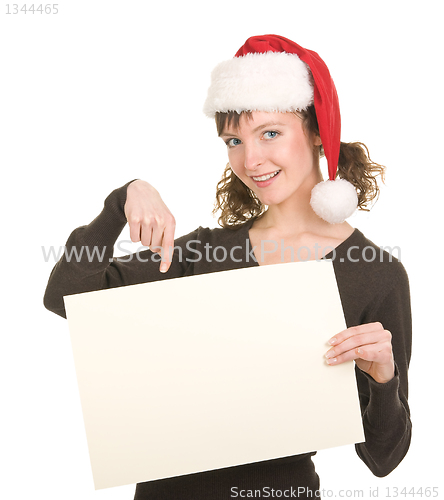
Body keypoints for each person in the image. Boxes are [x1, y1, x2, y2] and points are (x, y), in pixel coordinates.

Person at [44, 34, 412, 500]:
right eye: (234, 140)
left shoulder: (375, 273)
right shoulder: (204, 253)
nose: (250, 159)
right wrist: (121, 201)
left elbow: (385, 457)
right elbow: (64, 295)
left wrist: (384, 378)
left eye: (271, 133)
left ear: (318, 131)